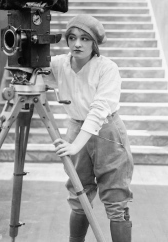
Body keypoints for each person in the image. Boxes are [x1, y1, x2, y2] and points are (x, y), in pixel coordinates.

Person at [47, 14, 134, 242]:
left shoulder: (107, 68)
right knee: (79, 194)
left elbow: (98, 110)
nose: (77, 44)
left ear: (94, 43)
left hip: (107, 131)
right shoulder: (58, 65)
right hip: (76, 126)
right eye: (72, 37)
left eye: (85, 39)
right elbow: (29, 74)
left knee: (116, 198)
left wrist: (76, 145)